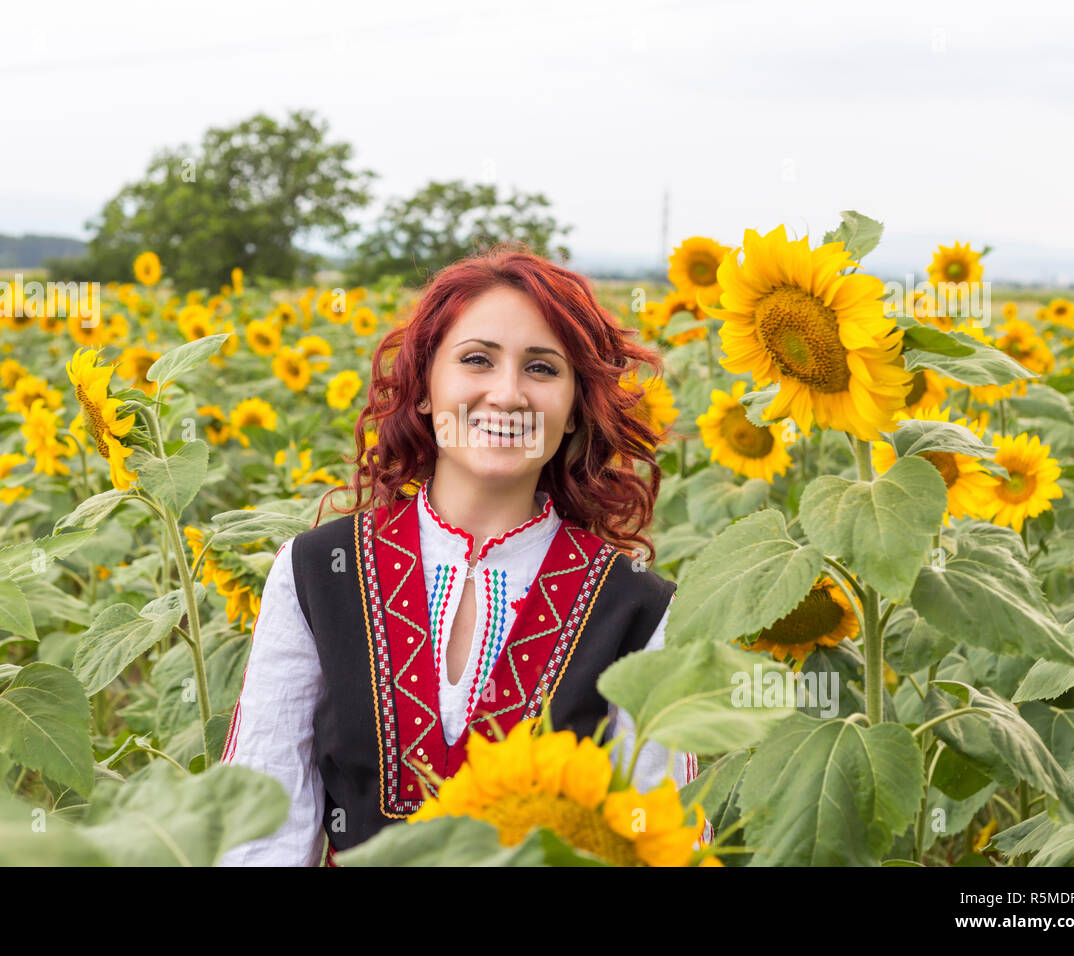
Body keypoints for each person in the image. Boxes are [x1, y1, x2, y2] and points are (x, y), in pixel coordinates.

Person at [218, 243, 710, 866]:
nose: (506, 394)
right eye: (477, 360)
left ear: (574, 411)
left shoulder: (639, 609)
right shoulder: (318, 571)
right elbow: (262, 824)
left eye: (542, 368)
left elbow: (663, 835)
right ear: (424, 388)